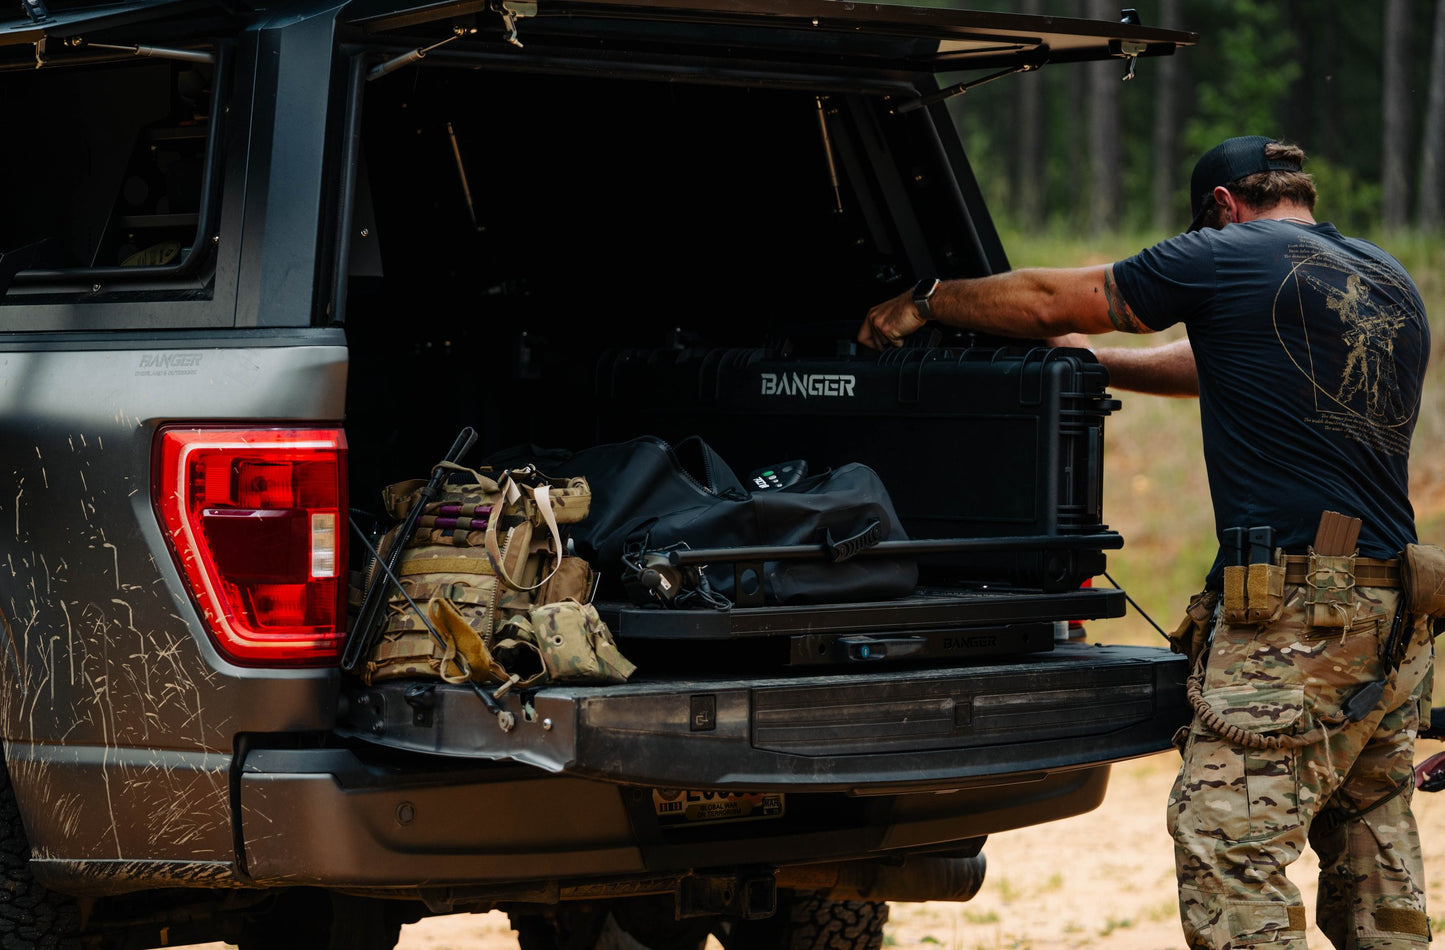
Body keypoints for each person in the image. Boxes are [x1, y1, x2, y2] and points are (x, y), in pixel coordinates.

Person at [858, 135, 1433, 950]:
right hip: (1393, 603)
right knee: (1373, 850)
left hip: (1302, 612)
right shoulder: (1380, 276)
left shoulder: (1227, 251)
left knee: (1227, 851)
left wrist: (926, 300)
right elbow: (1214, 361)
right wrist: (1102, 363)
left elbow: (1053, 300)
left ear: (1222, 206)